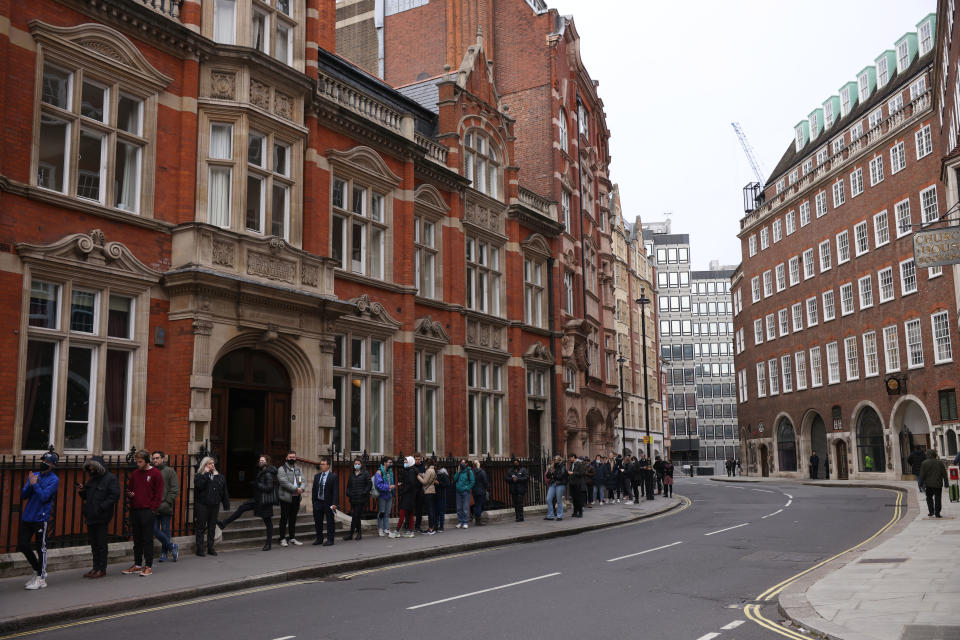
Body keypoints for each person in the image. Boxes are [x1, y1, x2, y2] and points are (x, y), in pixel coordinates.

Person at [19, 450, 60, 590]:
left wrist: (35, 485)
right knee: (23, 545)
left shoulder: (54, 480)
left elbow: (44, 497)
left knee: (40, 547)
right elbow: (24, 495)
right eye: (43, 460)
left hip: (41, 517)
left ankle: (41, 579)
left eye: (47, 462)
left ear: (52, 466)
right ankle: (38, 570)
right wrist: (30, 484)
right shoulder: (34, 475)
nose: (44, 463)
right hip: (28, 516)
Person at [218, 454, 277, 551]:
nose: (260, 462)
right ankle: (224, 523)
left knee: (268, 522)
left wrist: (257, 485)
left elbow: (269, 488)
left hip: (264, 501)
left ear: (267, 462)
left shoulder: (268, 474)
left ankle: (268, 544)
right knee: (242, 507)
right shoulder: (262, 471)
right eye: (260, 460)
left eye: (262, 461)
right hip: (258, 499)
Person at [123, 450, 163, 576]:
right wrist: (130, 494)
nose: (138, 464)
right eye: (137, 461)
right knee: (137, 540)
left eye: (140, 462)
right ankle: (138, 564)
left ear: (146, 461)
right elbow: (129, 489)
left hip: (148, 511)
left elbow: (159, 494)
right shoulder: (135, 473)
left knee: (147, 540)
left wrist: (153, 509)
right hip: (135, 510)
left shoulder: (155, 473)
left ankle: (148, 566)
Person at [78, 455, 120, 578]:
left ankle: (102, 568)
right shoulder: (92, 479)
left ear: (98, 467)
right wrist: (82, 491)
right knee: (94, 544)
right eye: (89, 468)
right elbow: (87, 496)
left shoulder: (110, 478)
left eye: (92, 468)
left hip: (102, 516)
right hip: (91, 515)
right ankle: (95, 567)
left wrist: (101, 507)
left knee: (101, 543)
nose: (91, 471)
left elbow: (114, 495)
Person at [193, 456, 229, 556]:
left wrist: (226, 504)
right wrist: (206, 474)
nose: (212, 465)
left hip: (215, 505)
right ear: (205, 465)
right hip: (202, 505)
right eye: (209, 463)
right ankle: (200, 549)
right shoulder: (199, 476)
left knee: (212, 527)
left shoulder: (219, 476)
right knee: (200, 527)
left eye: (213, 463)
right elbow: (199, 486)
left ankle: (210, 547)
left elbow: (224, 490)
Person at [151, 451, 180, 563]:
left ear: (163, 459)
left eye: (157, 458)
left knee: (166, 529)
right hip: (153, 506)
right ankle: (172, 546)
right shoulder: (151, 471)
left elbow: (175, 489)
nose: (155, 460)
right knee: (154, 530)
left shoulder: (169, 471)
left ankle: (164, 552)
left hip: (165, 506)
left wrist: (167, 502)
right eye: (153, 458)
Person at [277, 451, 305, 547]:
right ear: (286, 458)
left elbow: (303, 480)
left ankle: (292, 538)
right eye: (290, 457)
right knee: (284, 519)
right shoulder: (282, 469)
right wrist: (296, 489)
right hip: (286, 498)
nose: (292, 459)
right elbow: (283, 482)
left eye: (294, 457)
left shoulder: (298, 469)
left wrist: (302, 488)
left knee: (293, 519)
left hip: (296, 498)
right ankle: (282, 538)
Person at [311, 457, 338, 545]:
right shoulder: (317, 476)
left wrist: (334, 503)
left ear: (328, 466)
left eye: (323, 464)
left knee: (330, 522)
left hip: (328, 502)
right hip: (318, 502)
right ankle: (319, 538)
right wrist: (314, 503)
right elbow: (314, 490)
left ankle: (330, 539)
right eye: (320, 464)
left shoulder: (333, 476)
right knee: (318, 521)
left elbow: (335, 491)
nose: (321, 466)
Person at [345, 456, 372, 540]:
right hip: (353, 498)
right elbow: (349, 486)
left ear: (361, 465)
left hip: (361, 499)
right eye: (355, 464)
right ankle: (357, 534)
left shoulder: (365, 473)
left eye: (358, 464)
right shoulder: (352, 474)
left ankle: (353, 534)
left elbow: (369, 484)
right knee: (356, 516)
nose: (356, 465)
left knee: (355, 515)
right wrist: (348, 493)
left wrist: (364, 492)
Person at [918, 449, 949, 518]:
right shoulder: (940, 462)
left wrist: (920, 484)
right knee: (938, 498)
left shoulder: (924, 463)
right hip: (938, 484)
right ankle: (937, 513)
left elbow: (922, 475)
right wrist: (946, 483)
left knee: (929, 498)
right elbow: (944, 474)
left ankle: (931, 511)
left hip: (928, 485)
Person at [395, 456, 419, 537]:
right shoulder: (410, 470)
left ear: (410, 462)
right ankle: (411, 531)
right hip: (410, 496)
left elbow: (411, 484)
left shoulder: (411, 471)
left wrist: (402, 488)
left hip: (408, 496)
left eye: (406, 462)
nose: (404, 463)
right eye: (404, 462)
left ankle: (397, 531)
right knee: (410, 514)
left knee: (402, 512)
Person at [373, 457, 395, 536]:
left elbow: (391, 481)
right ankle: (380, 529)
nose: (391, 464)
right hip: (382, 495)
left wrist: (393, 492)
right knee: (381, 512)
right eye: (389, 462)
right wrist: (389, 487)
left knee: (387, 513)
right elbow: (378, 485)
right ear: (384, 463)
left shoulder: (390, 471)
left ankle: (386, 528)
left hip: (389, 495)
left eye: (391, 462)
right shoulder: (379, 472)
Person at [418, 457, 438, 534]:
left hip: (428, 492)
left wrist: (418, 476)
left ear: (427, 464)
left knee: (430, 511)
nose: (424, 465)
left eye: (425, 464)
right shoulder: (433, 470)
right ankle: (433, 527)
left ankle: (431, 529)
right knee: (431, 510)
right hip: (432, 491)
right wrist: (423, 475)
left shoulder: (429, 470)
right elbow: (430, 479)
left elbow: (424, 482)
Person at [544, 455, 567, 520]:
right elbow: (548, 476)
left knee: (559, 500)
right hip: (552, 484)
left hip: (560, 484)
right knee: (548, 499)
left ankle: (559, 516)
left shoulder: (562, 466)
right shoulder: (552, 466)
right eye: (554, 459)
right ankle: (550, 515)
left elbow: (561, 476)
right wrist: (551, 471)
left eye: (556, 459)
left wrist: (553, 474)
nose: (555, 460)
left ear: (560, 460)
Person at [454, 458, 474, 529]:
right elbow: (454, 479)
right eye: (461, 463)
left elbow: (472, 482)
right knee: (459, 508)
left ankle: (465, 522)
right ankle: (460, 522)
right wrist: (458, 472)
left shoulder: (469, 471)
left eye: (463, 463)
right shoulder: (459, 471)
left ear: (466, 464)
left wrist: (467, 488)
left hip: (465, 492)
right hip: (458, 492)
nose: (461, 464)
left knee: (465, 508)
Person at [471, 460, 488, 526]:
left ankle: (476, 519)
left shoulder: (472, 472)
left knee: (476, 504)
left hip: (474, 490)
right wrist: (485, 488)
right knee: (480, 505)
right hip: (481, 490)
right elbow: (485, 481)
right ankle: (478, 520)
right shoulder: (482, 472)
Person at [413, 453, 427, 533]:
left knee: (419, 510)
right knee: (411, 508)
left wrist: (422, 475)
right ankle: (409, 525)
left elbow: (426, 475)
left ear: (421, 459)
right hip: (413, 489)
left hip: (421, 489)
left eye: (419, 459)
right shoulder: (412, 466)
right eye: (416, 459)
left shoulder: (423, 466)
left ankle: (417, 526)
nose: (417, 461)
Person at [435, 464, 450, 532]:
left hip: (441, 495)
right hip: (436, 495)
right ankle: (436, 526)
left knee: (441, 512)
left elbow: (446, 484)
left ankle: (441, 526)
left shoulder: (444, 474)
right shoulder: (436, 474)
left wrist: (438, 483)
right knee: (436, 512)